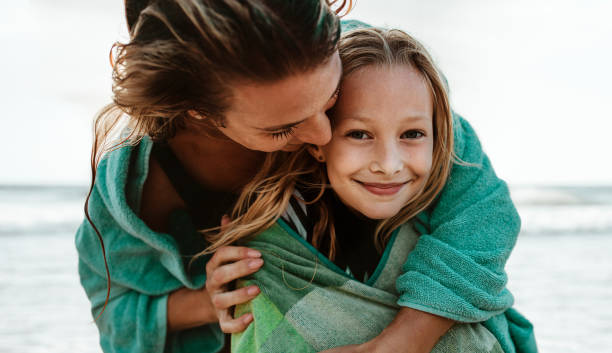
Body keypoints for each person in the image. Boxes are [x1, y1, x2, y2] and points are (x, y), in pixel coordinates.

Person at [75, 1, 532, 352]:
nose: (321, 132)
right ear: (197, 111)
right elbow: (113, 311)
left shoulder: (372, 69)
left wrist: (403, 339)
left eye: (331, 95)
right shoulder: (142, 188)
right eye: (281, 128)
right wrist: (208, 302)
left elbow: (482, 213)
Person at [201, 27, 536, 353]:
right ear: (317, 138)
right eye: (360, 134)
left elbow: (489, 215)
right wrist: (211, 299)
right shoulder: (268, 225)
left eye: (413, 134)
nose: (388, 165)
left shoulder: (450, 156)